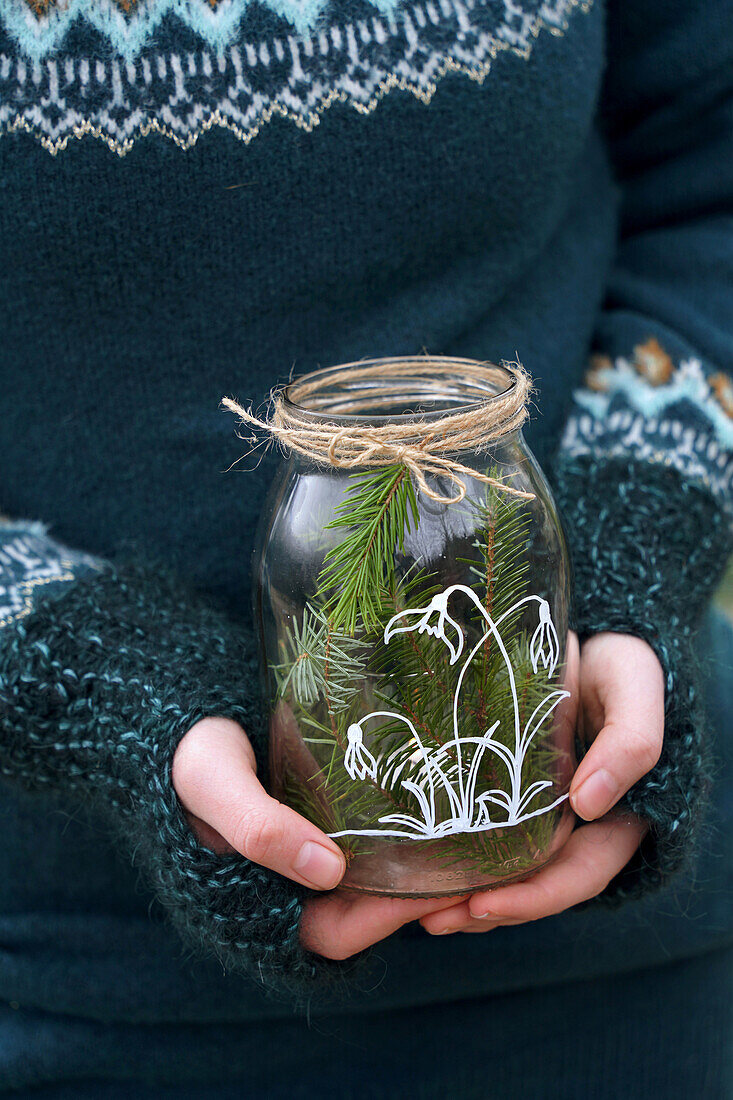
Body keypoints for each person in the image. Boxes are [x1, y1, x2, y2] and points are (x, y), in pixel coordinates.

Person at [0, 0, 731, 1095]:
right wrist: (98, 677)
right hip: (86, 989)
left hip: (631, 978)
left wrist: (634, 541)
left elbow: (712, 163)